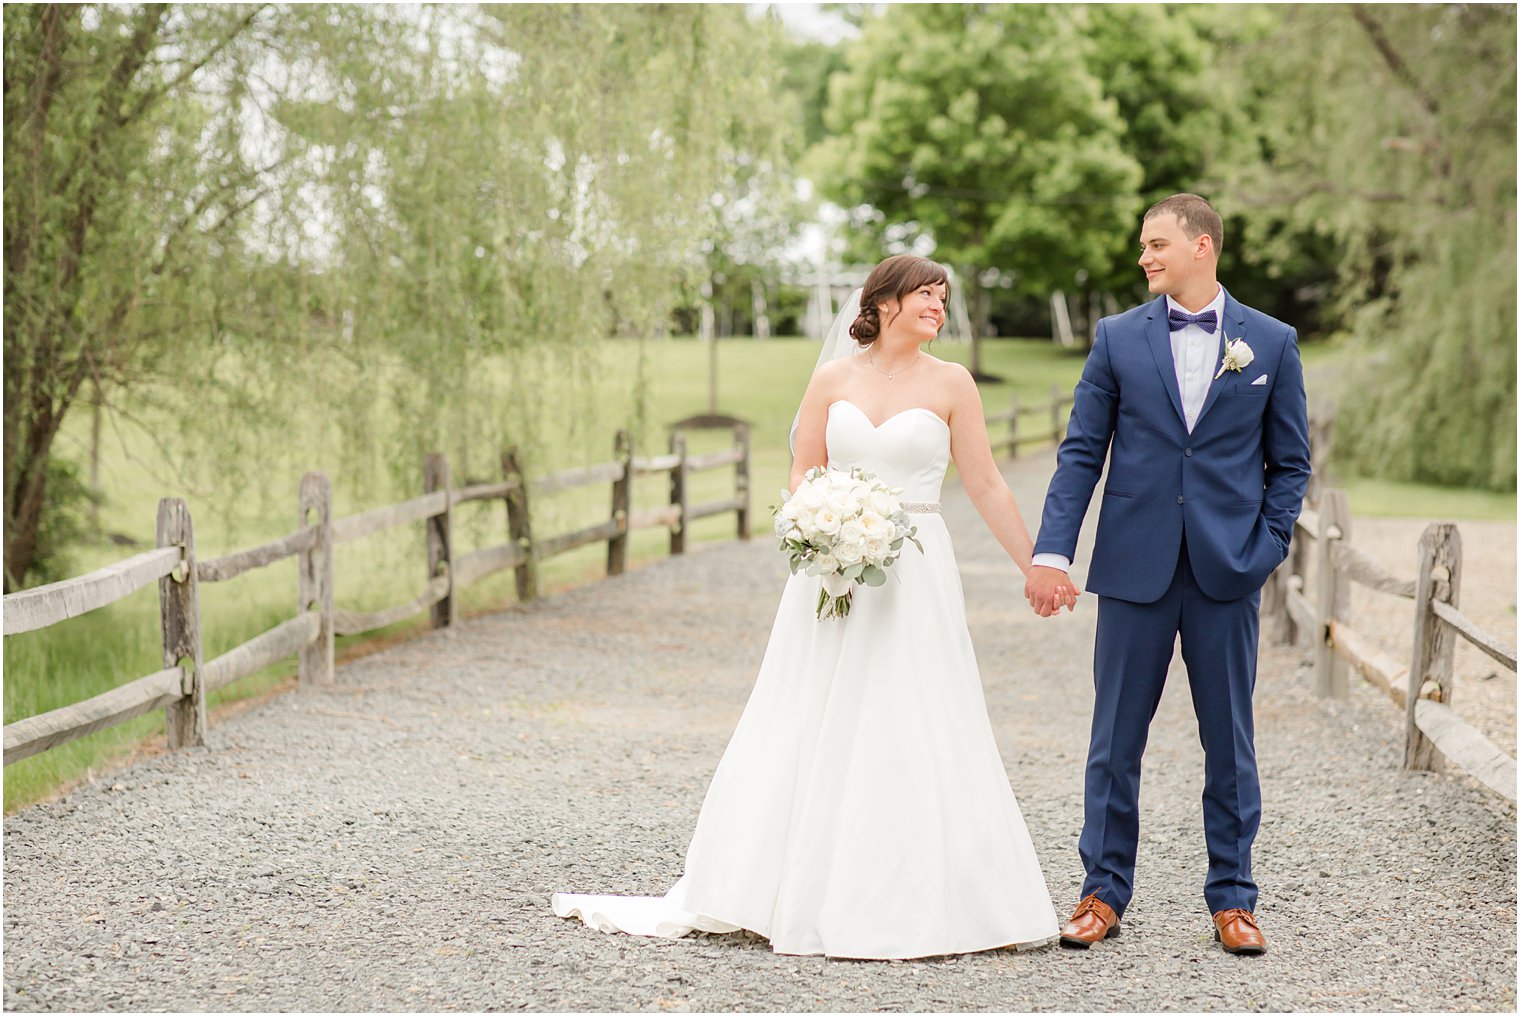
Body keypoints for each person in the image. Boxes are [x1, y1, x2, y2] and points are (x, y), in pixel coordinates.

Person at [553, 254, 1062, 959]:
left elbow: (986, 484)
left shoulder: (953, 383)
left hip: (916, 570)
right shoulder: (832, 379)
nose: (938, 307)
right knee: (811, 706)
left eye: (943, 298)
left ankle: (927, 891)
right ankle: (783, 881)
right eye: (925, 295)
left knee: (914, 708)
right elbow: (803, 468)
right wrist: (820, 522)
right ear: (883, 302)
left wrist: (1035, 564)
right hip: (834, 573)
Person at [1026, 194, 1311, 956]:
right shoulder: (1118, 338)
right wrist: (1054, 550)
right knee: (1115, 741)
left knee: (1231, 742)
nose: (1145, 257)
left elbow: (1291, 464)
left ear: (1203, 246)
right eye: (1143, 247)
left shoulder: (1273, 343)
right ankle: (1100, 893)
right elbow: (1082, 450)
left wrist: (1267, 544)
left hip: (1227, 571)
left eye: (1157, 244)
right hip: (1133, 570)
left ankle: (1234, 899)